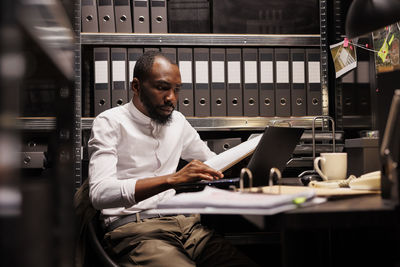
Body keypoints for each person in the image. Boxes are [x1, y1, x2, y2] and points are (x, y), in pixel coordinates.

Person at [88, 51, 258, 266]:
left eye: (176, 90)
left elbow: (213, 163)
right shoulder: (109, 122)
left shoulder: (177, 121)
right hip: (135, 230)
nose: (172, 98)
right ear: (136, 86)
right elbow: (99, 194)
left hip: (187, 227)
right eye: (162, 88)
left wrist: (240, 164)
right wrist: (172, 179)